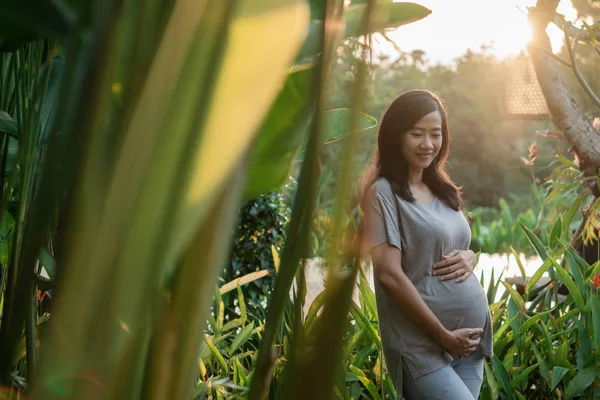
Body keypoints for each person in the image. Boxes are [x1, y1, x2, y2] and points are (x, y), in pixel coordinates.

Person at [360, 89, 493, 400]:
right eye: (416, 134)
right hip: (422, 348)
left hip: (467, 345)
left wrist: (471, 257)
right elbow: (389, 275)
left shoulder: (441, 187)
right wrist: (443, 336)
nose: (428, 144)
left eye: (435, 134)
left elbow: (451, 244)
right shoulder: (382, 193)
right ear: (396, 136)